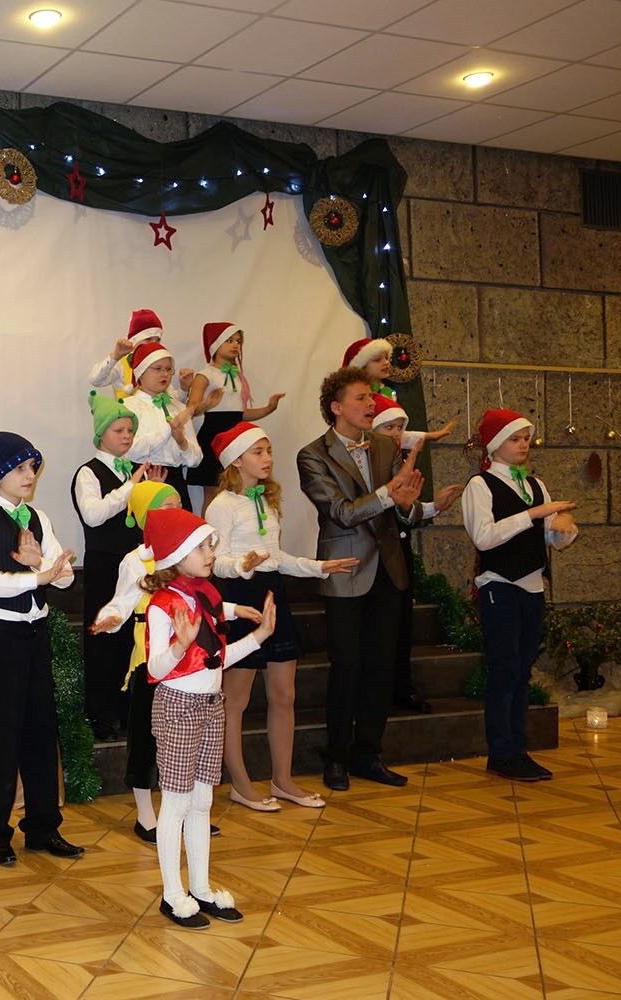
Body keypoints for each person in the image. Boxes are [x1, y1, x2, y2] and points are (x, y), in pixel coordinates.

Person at [0, 430, 82, 866]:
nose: (30, 476)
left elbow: (66, 577)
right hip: (2, 638)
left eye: (32, 468)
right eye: (20, 468)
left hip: (36, 634)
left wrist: (41, 563)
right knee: (1, 735)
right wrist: (38, 575)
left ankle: (43, 828)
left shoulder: (38, 517)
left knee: (41, 731)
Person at [205, 422, 357, 811]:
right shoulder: (222, 505)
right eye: (258, 452)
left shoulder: (268, 500)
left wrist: (319, 567)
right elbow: (214, 562)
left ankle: (283, 779)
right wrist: (242, 565)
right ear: (236, 460)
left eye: (269, 451)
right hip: (241, 598)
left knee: (284, 694)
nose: (268, 458)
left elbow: (278, 557)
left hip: (273, 594)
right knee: (236, 699)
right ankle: (240, 784)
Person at [140, 508, 275, 930]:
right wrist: (179, 646)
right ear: (175, 555)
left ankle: (199, 887)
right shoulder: (163, 605)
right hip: (178, 707)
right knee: (177, 803)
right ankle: (172, 894)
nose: (210, 553)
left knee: (202, 801)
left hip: (211, 705)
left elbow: (217, 662)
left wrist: (258, 637)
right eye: (200, 547)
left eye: (209, 545)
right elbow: (156, 669)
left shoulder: (207, 596)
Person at [296, 368, 424, 792]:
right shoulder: (313, 455)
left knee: (381, 667)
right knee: (347, 666)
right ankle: (335, 756)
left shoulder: (387, 445)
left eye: (371, 397)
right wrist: (389, 494)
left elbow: (403, 511)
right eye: (361, 398)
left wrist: (405, 504)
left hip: (389, 569)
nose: (371, 404)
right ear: (336, 407)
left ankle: (368, 753)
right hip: (345, 570)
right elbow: (341, 513)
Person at [462, 409, 578, 782]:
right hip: (498, 585)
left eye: (526, 438)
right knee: (505, 669)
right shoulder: (479, 485)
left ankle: (519, 751)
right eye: (515, 438)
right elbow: (484, 537)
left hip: (532, 587)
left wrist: (563, 528)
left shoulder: (535, 485)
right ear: (496, 444)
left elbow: (550, 539)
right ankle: (501, 753)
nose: (523, 444)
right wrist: (534, 514)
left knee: (522, 672)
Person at [89, 481, 192, 842]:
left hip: (188, 659)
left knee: (184, 737)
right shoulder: (135, 560)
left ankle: (185, 812)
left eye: (178, 504)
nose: (176, 511)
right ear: (147, 517)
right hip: (149, 656)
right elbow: (121, 601)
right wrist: (111, 617)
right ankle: (146, 815)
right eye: (166, 507)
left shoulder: (187, 553)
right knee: (146, 736)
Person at [371, 394, 464, 714]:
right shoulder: (368, 465)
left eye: (400, 427)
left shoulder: (400, 462)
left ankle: (402, 687)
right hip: (373, 558)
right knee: (380, 630)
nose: (396, 433)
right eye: (388, 428)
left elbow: (406, 511)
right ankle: (378, 693)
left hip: (400, 552)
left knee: (402, 625)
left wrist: (435, 506)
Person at [71, 391, 149, 741]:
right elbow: (93, 515)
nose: (127, 436)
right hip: (105, 564)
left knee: (133, 636)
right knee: (103, 637)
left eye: (130, 430)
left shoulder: (134, 471)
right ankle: (99, 714)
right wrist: (130, 488)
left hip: (136, 564)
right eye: (119, 430)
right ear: (101, 433)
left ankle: (127, 710)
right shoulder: (88, 473)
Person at [187, 324, 284, 508]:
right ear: (216, 345)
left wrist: (268, 409)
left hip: (237, 437)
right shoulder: (205, 375)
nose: (235, 345)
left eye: (238, 341)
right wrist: (207, 404)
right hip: (214, 435)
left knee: (236, 489)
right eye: (229, 340)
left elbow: (241, 414)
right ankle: (211, 527)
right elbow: (191, 408)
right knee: (213, 492)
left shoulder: (238, 377)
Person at [126, 340, 208, 511]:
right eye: (157, 369)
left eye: (168, 369)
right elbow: (131, 450)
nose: (164, 374)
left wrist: (182, 442)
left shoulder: (178, 407)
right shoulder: (129, 407)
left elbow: (195, 460)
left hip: (176, 482)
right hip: (143, 479)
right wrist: (169, 430)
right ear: (141, 372)